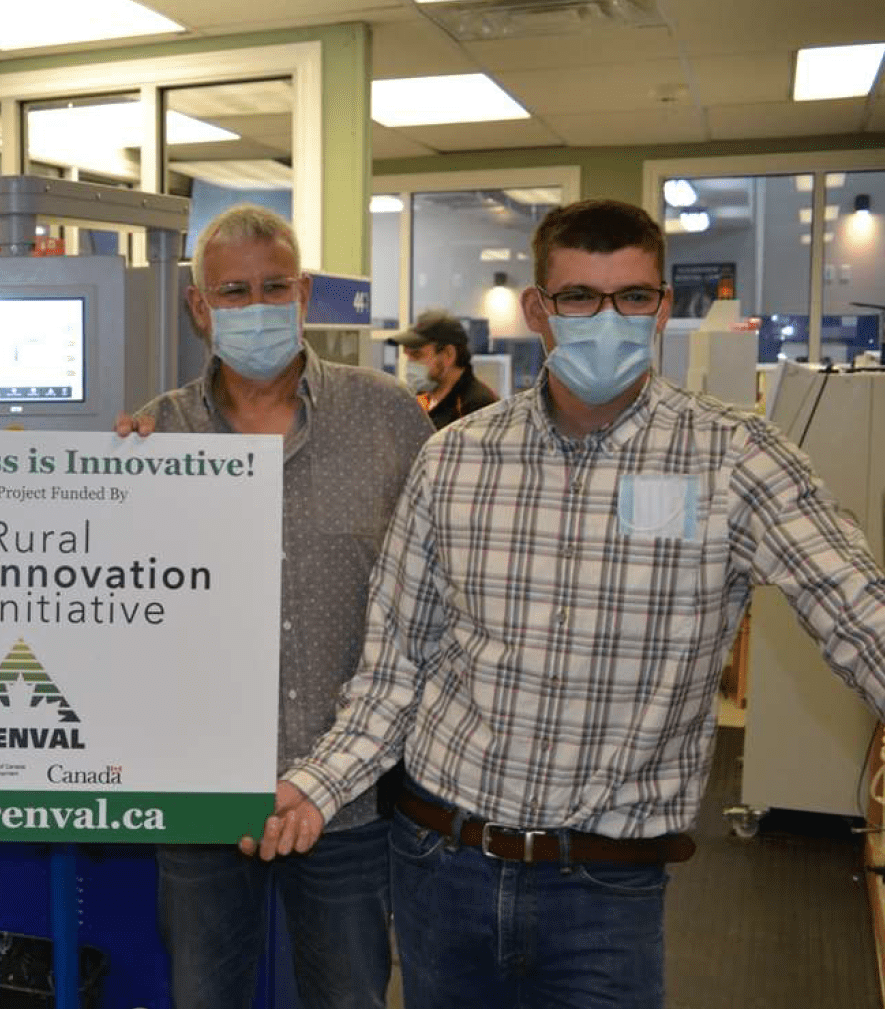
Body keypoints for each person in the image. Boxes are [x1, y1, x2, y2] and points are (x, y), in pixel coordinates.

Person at [251, 198, 885, 1008]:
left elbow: (859, 613)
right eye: (580, 297)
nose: (607, 319)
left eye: (632, 297)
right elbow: (395, 669)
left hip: (606, 890)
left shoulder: (734, 458)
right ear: (538, 310)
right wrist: (317, 783)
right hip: (442, 864)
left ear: (663, 305)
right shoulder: (457, 460)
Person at [117, 204, 434, 1009]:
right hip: (200, 790)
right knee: (204, 995)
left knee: (347, 995)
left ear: (305, 293)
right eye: (232, 291)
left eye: (274, 287)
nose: (255, 306)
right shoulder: (157, 435)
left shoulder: (390, 417)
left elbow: (433, 592)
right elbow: (117, 600)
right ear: (199, 307)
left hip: (347, 794)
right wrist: (100, 486)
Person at [392, 310, 498, 428]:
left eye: (417, 355)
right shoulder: (422, 399)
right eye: (408, 356)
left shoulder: (479, 406)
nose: (410, 364)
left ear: (448, 354)